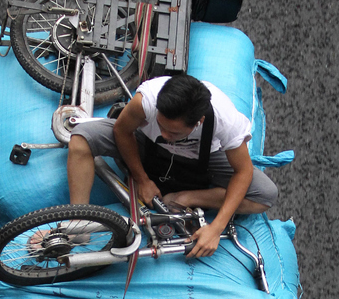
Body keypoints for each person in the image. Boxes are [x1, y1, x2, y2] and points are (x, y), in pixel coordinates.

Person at [67, 73, 278, 259]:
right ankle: (79, 223)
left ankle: (183, 198)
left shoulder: (225, 119)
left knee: (265, 195)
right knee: (81, 138)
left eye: (174, 132)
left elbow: (243, 171)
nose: (165, 135)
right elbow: (122, 131)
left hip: (204, 157)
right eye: (161, 126)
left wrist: (216, 228)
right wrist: (142, 180)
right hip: (147, 145)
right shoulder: (147, 100)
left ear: (199, 121)